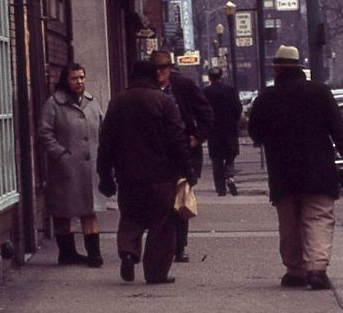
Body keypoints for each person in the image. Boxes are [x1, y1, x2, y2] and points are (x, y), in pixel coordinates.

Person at [247, 45, 343, 290]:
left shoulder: (267, 97)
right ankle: (317, 269)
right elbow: (339, 132)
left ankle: (295, 270)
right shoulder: (320, 92)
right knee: (318, 217)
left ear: (277, 69)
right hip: (318, 169)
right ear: (300, 68)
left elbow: (255, 133)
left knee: (289, 222)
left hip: (282, 171)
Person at [97, 60, 196, 284]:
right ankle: (156, 272)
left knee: (131, 217)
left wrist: (104, 175)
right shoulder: (164, 102)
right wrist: (187, 171)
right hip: (161, 177)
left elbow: (106, 143)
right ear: (153, 76)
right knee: (162, 225)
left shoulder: (118, 102)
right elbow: (177, 140)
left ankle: (129, 253)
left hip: (128, 176)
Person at [38, 63, 106, 268]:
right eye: (75, 78)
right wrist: (61, 154)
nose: (80, 82)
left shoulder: (92, 102)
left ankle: (94, 254)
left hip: (89, 167)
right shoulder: (53, 104)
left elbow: (103, 129)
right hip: (65, 169)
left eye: (82, 77)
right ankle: (67, 253)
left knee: (89, 210)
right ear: (65, 81)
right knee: (63, 212)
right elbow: (44, 133)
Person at [150, 50, 213, 263]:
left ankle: (180, 247)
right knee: (160, 201)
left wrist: (197, 137)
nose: (160, 73)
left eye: (164, 68)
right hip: (156, 152)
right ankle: (163, 245)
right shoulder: (146, 88)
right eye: (156, 68)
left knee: (180, 200)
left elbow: (206, 113)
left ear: (170, 68)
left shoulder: (183, 86)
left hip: (183, 150)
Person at [203, 66, 243, 196]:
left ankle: (221, 188)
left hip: (213, 130)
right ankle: (229, 175)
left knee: (216, 159)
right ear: (221, 77)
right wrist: (235, 120)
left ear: (210, 78)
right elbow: (238, 108)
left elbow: (202, 111)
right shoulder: (230, 91)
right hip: (229, 128)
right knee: (230, 155)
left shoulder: (205, 92)